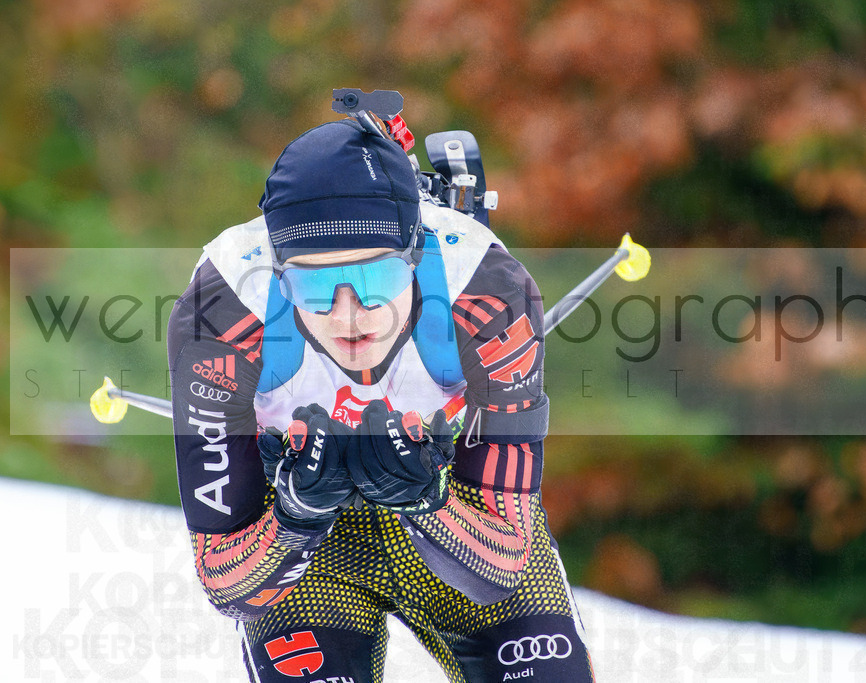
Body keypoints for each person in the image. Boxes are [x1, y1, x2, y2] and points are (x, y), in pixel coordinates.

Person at [167, 111, 595, 682]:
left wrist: (426, 502)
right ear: (279, 272)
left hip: (455, 502)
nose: (347, 316)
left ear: (416, 255)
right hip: (311, 559)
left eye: (375, 280)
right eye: (314, 287)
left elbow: (502, 562)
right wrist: (297, 516)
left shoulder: (486, 291)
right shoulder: (221, 312)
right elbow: (227, 582)